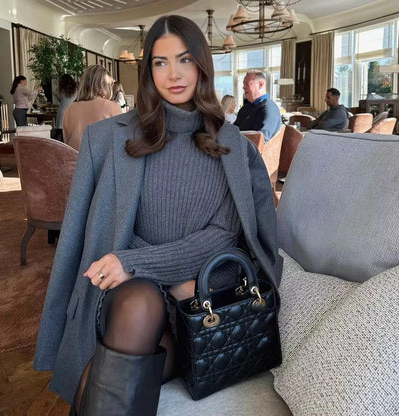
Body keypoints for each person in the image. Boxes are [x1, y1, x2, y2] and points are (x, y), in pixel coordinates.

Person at [33, 14, 281, 416]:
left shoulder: (231, 145)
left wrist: (138, 263)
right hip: (132, 291)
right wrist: (138, 268)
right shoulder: (109, 137)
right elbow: (103, 227)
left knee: (113, 367)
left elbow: (222, 234)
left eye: (185, 60)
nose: (173, 74)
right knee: (140, 304)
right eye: (160, 62)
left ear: (202, 65)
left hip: (200, 296)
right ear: (148, 70)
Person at [62, 65, 122, 150]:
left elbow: (67, 143)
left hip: (76, 157)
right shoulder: (113, 107)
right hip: (102, 157)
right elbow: (120, 142)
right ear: (105, 85)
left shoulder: (70, 109)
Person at [234, 71, 281, 143]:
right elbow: (234, 131)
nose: (243, 87)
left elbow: (260, 141)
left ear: (260, 85)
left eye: (247, 84)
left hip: (247, 149)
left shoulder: (268, 109)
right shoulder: (245, 109)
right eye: (244, 84)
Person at [55, 74, 77, 141]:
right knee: (70, 134)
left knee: (59, 133)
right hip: (72, 112)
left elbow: (58, 97)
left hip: (62, 112)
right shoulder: (76, 90)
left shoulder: (61, 90)